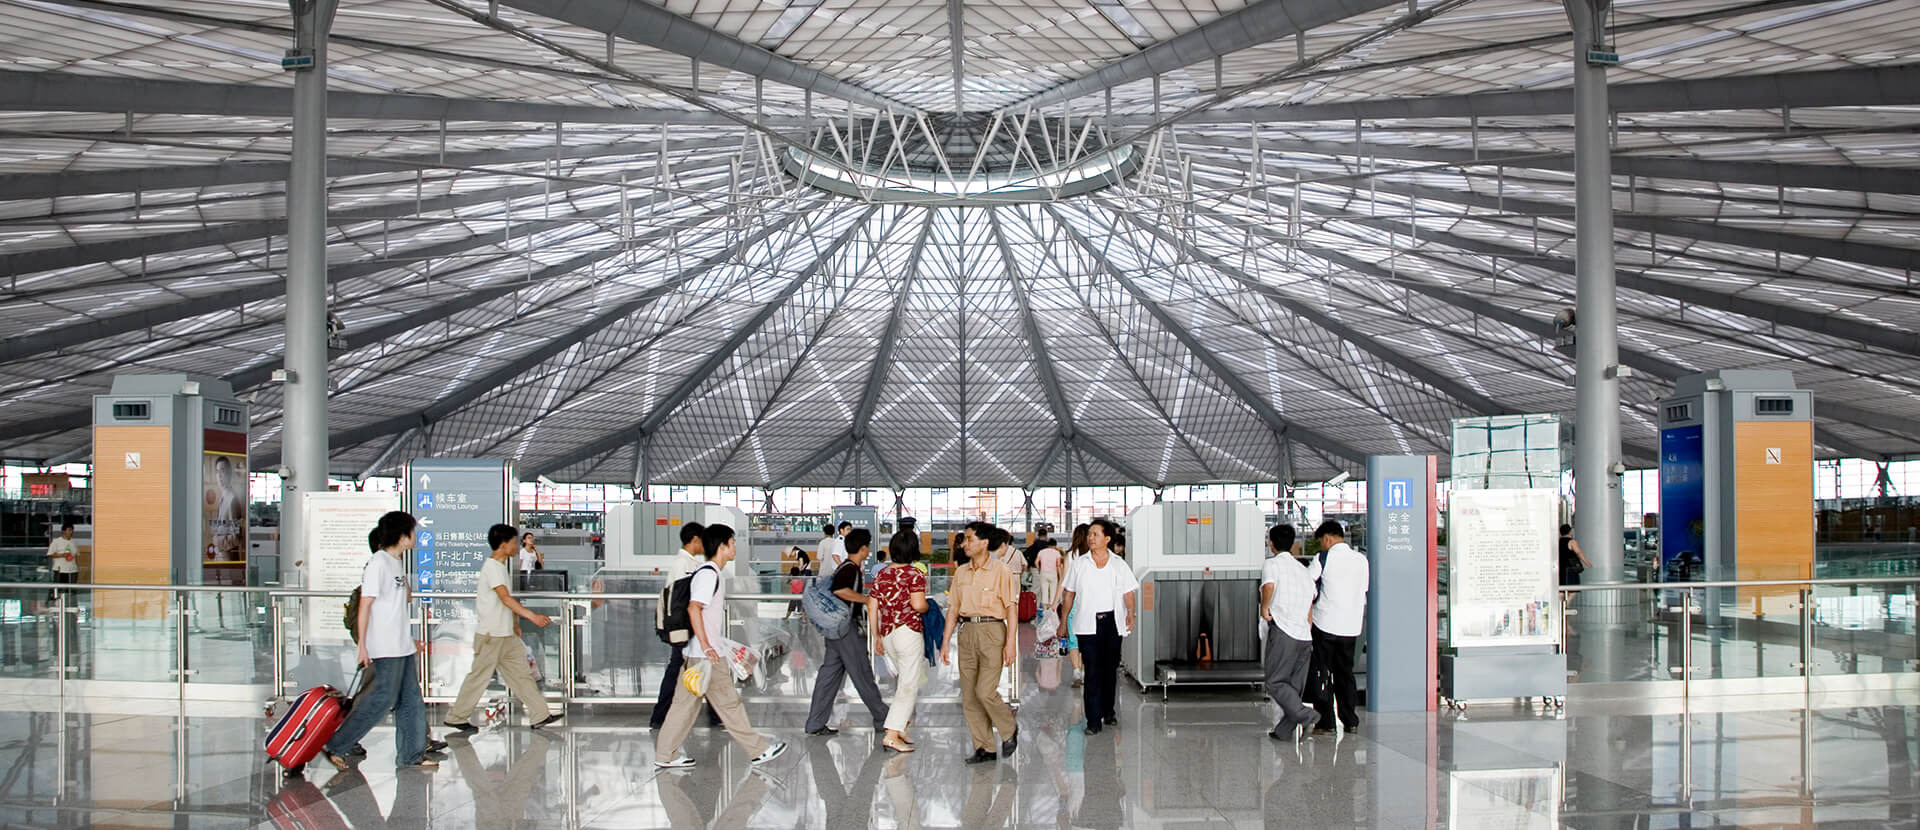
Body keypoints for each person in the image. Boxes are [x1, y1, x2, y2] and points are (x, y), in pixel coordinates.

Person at [654, 523, 788, 769]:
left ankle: (665, 754)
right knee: (728, 705)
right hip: (706, 657)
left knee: (684, 707)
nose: (735, 547)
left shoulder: (710, 572)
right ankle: (759, 750)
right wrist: (707, 646)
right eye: (733, 543)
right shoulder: (709, 574)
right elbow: (694, 608)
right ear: (722, 545)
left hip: (698, 655)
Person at [325, 511, 440, 770]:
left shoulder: (394, 562)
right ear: (401, 536)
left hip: (402, 645)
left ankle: (412, 754)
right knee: (382, 698)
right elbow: (366, 605)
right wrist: (363, 646)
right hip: (385, 646)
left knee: (410, 699)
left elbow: (400, 603)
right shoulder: (378, 562)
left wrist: (411, 641)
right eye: (412, 531)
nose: (416, 536)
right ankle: (338, 744)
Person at [445, 524, 563, 733]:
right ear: (503, 544)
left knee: (522, 674)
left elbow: (503, 602)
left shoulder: (500, 567)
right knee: (479, 677)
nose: (516, 546)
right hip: (492, 635)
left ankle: (540, 714)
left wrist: (515, 623)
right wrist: (531, 616)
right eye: (513, 542)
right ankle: (456, 716)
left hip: (505, 635)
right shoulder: (492, 568)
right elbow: (505, 598)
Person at [939, 521, 1019, 763]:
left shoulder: (1001, 571)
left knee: (985, 691)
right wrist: (945, 642)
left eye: (970, 539)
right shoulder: (962, 572)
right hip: (967, 632)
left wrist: (1011, 643)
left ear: (985, 543)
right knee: (969, 697)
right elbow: (953, 609)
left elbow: (1011, 608)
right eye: (965, 539)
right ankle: (985, 747)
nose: (965, 544)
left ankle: (1009, 728)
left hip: (993, 631)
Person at [804, 528, 890, 737]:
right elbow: (840, 590)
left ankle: (815, 723)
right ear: (863, 549)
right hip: (846, 630)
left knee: (829, 676)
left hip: (835, 632)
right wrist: (866, 599)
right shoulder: (850, 569)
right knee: (862, 674)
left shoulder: (846, 566)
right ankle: (883, 718)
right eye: (868, 545)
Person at [1060, 518, 1137, 735]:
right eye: (1090, 534)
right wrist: (1063, 621)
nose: (1090, 538)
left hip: (1112, 622)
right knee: (1092, 670)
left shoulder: (1118, 564)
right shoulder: (1079, 563)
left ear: (1107, 539)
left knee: (1109, 669)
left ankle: (1108, 710)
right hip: (1087, 624)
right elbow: (1069, 594)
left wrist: (1131, 613)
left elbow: (1128, 592)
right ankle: (1093, 720)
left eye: (1095, 534)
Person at [651, 522, 718, 732]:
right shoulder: (683, 564)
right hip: (684, 629)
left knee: (691, 667)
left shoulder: (687, 563)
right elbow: (681, 601)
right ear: (695, 540)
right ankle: (660, 716)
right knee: (679, 670)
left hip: (687, 628)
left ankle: (714, 714)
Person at [1306, 520, 1369, 735]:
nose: (1321, 546)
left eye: (1321, 542)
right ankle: (1350, 720)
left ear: (1328, 538)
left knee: (1322, 673)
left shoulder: (1323, 558)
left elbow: (1308, 584)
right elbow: (1364, 589)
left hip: (1325, 624)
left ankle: (1326, 722)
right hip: (1351, 627)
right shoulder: (1361, 560)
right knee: (1345, 674)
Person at [868, 530, 929, 754]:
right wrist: (928, 607)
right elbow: (918, 605)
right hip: (908, 631)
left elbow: (872, 606)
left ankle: (900, 727)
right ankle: (892, 734)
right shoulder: (914, 574)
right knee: (909, 684)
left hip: (888, 633)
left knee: (904, 681)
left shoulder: (882, 574)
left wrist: (876, 636)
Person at [1259, 524, 1317, 741]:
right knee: (1293, 686)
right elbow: (1310, 602)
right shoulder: (1303, 570)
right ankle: (1283, 731)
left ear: (1271, 543)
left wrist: (1265, 608)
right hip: (1304, 634)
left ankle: (1307, 715)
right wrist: (1308, 625)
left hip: (1284, 630)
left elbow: (1269, 587)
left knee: (1275, 682)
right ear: (1292, 544)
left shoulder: (1271, 563)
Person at [1062, 523, 1090, 687]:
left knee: (1073, 639)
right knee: (1087, 637)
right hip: (1088, 602)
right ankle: (1086, 671)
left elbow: (1064, 583)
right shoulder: (1092, 557)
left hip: (1071, 601)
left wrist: (1056, 604)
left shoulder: (1070, 556)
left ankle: (1076, 671)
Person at [46, 521, 78, 598]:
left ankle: (70, 605)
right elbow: (50, 554)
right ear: (63, 531)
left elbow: (76, 555)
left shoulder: (73, 542)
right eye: (69, 530)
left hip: (73, 570)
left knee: (71, 591)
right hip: (60, 570)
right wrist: (62, 555)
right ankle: (55, 605)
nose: (71, 532)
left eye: (72, 530)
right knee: (58, 590)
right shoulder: (56, 542)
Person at [1034, 529, 1062, 609]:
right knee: (1053, 592)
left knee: (1044, 592)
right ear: (1055, 545)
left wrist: (1039, 569)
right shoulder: (1057, 553)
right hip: (1053, 574)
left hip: (1044, 573)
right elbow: (1058, 564)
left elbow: (1036, 562)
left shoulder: (1042, 552)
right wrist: (1060, 575)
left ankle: (1044, 610)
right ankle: (1052, 611)